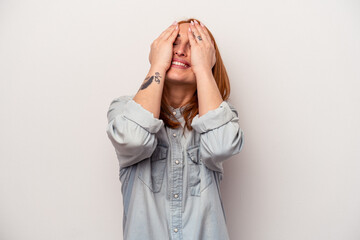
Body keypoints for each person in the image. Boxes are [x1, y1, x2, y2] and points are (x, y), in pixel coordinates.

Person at [106, 18, 244, 240]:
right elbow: (133, 139)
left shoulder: (222, 115)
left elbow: (221, 145)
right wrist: (158, 65)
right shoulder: (123, 109)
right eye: (173, 44)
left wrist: (203, 69)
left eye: (194, 46)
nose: (180, 51)